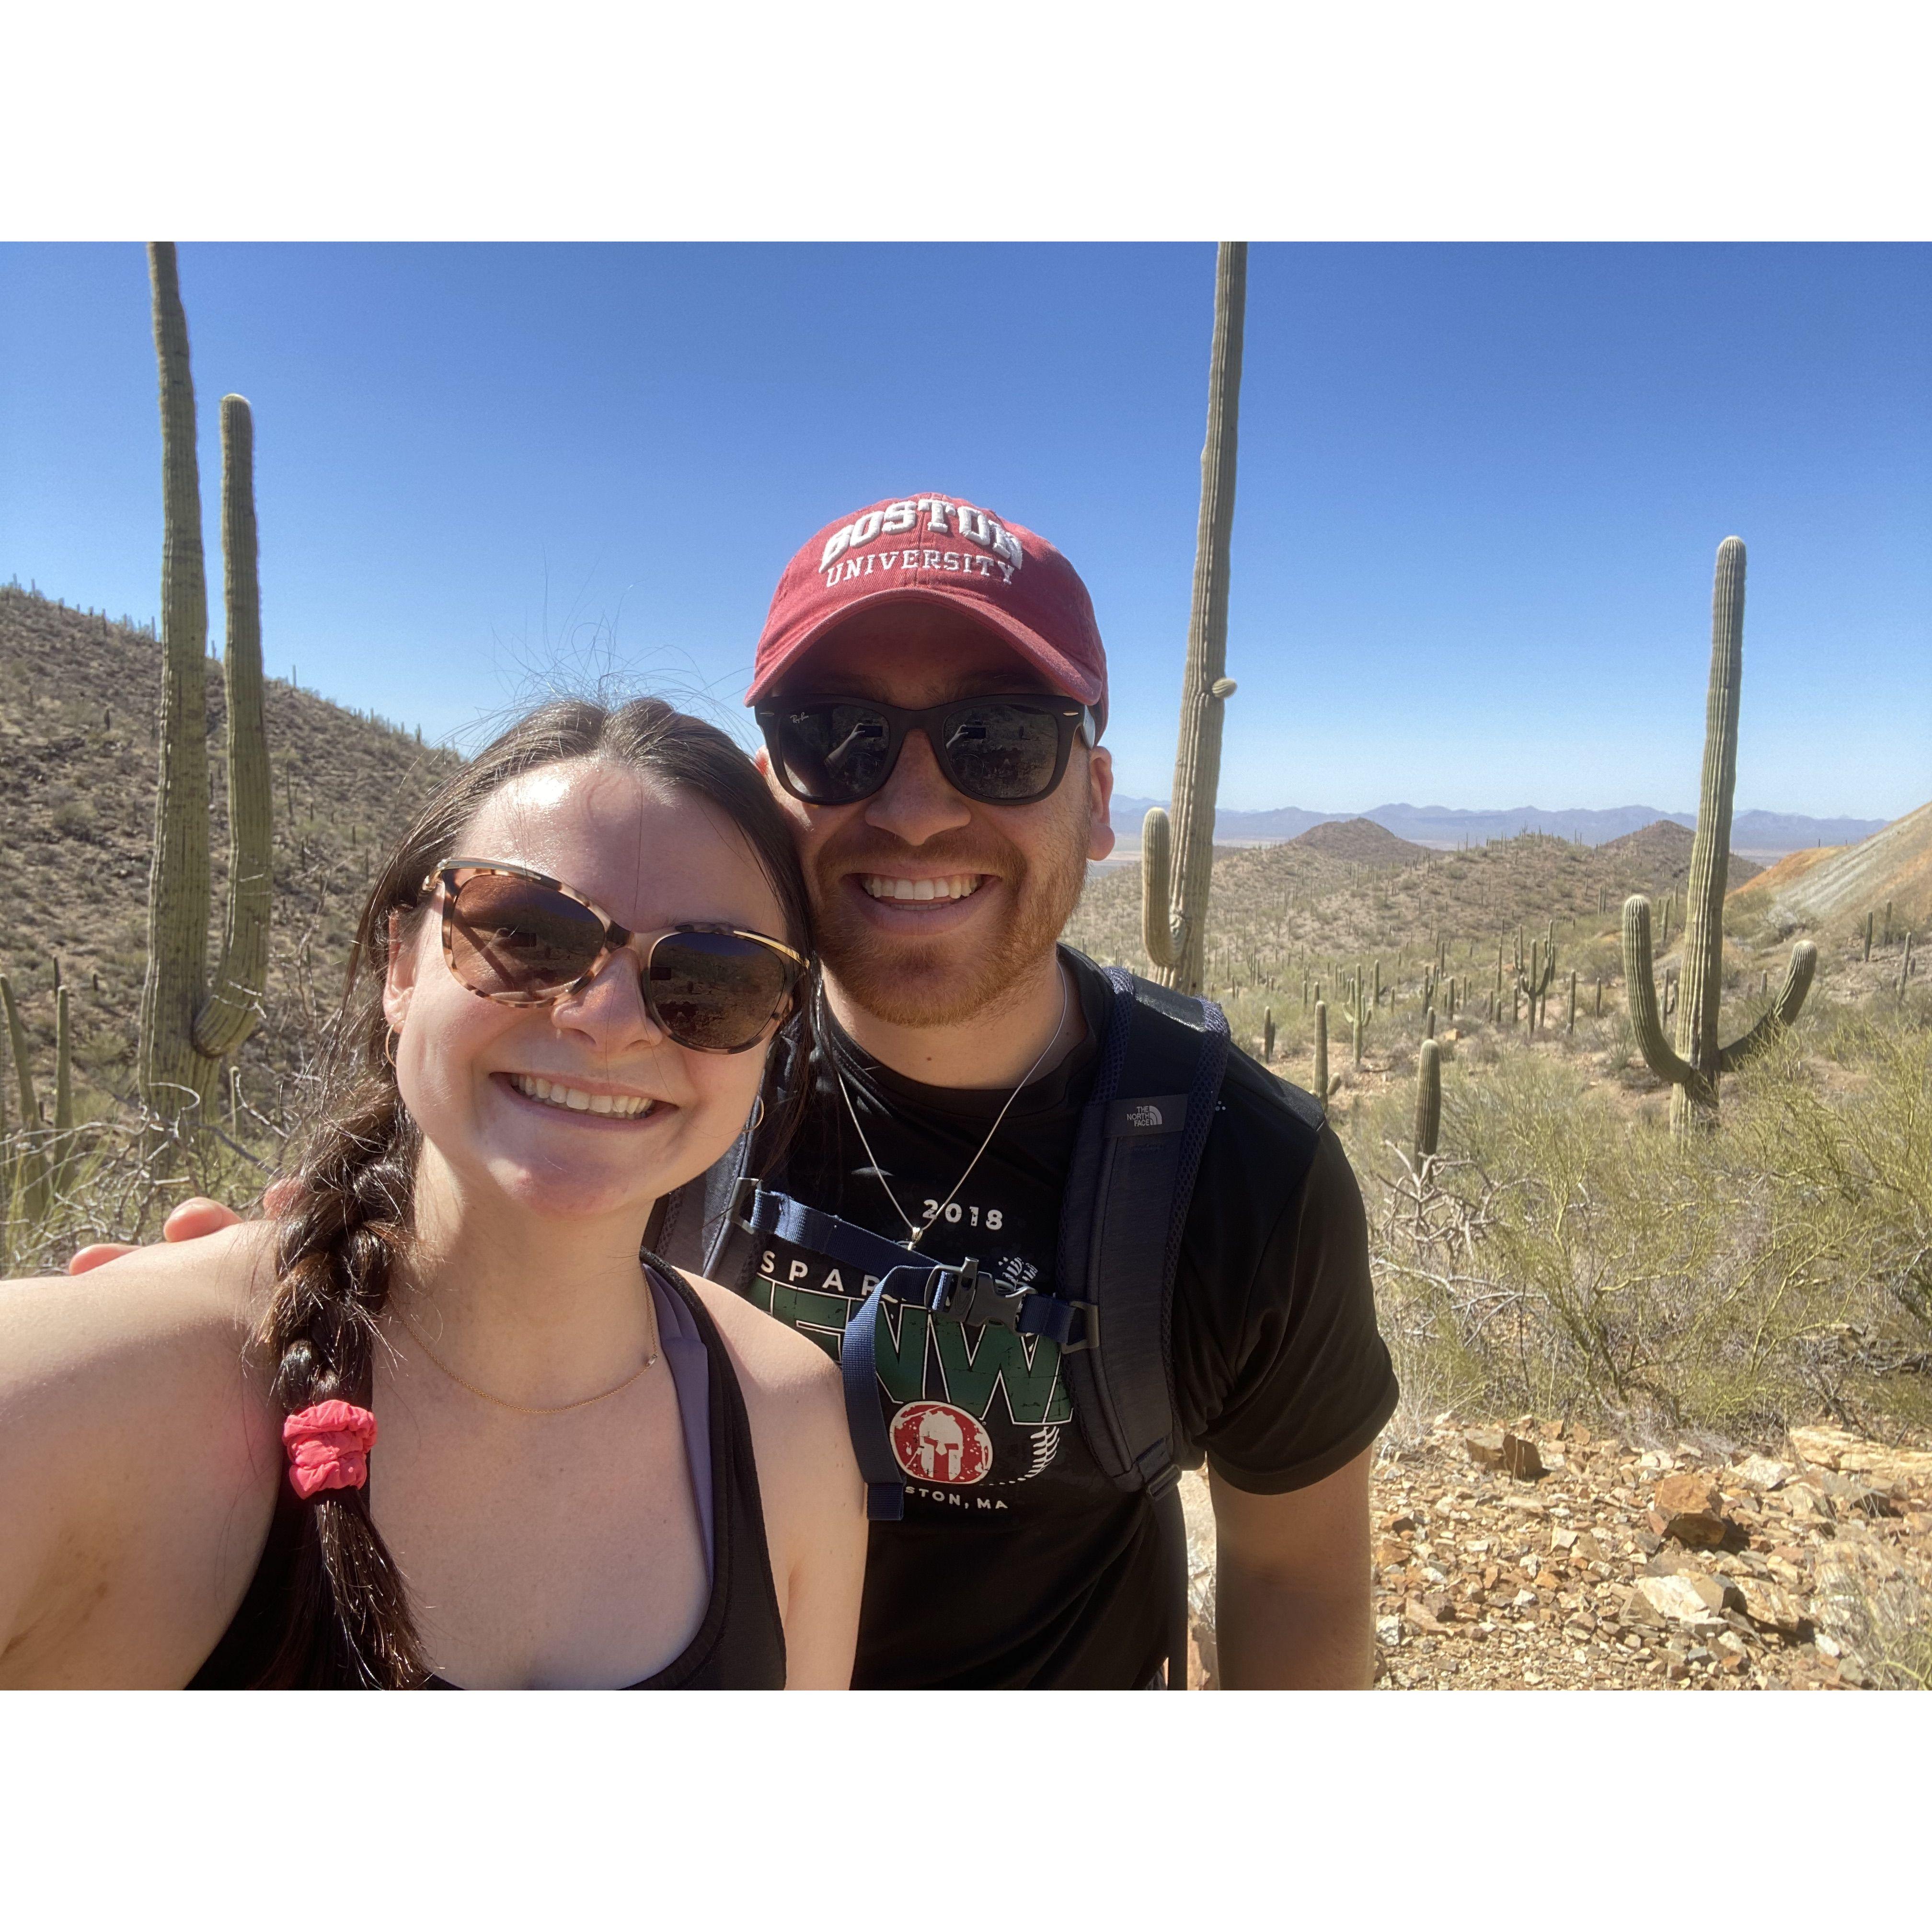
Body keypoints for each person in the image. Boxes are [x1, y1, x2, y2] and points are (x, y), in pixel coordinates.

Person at [80, 495, 1399, 1690]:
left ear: (1100, 800)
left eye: (998, 742)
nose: (919, 806)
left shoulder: (1242, 1169)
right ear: (775, 793)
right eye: (842, 740)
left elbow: (1296, 1577)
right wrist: (207, 1326)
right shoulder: (647, 1080)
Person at [5, 698, 866, 1689]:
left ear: (773, 1031)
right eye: (532, 933)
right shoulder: (84, 1401)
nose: (610, 1020)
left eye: (717, 977)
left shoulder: (788, 1428)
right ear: (402, 965)